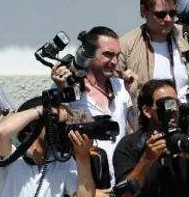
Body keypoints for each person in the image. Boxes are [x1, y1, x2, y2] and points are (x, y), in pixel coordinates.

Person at [52, 27, 133, 184]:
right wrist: (61, 89)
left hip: (119, 182)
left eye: (117, 55)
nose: (115, 61)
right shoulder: (67, 86)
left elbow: (135, 127)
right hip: (84, 183)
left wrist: (133, 94)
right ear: (88, 53)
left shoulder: (121, 86)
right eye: (108, 55)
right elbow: (59, 122)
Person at [120, 0, 189, 104]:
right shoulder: (128, 44)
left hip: (188, 115)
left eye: (172, 13)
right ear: (143, 10)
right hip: (147, 119)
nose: (168, 19)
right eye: (160, 14)